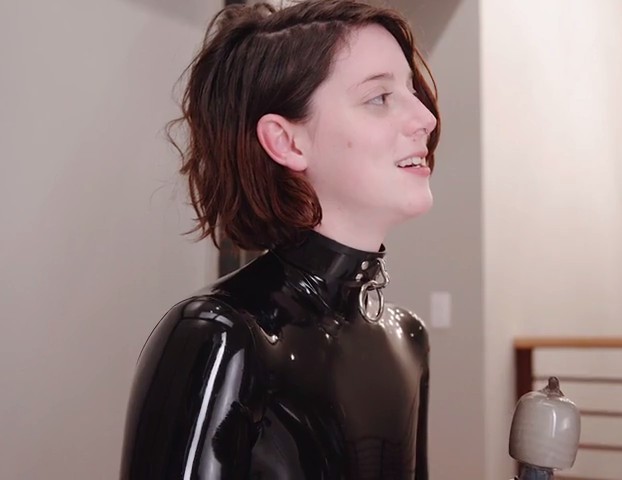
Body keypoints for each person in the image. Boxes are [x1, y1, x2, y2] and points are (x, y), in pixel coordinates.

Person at [119, 0, 440, 478]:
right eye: (379, 97)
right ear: (286, 142)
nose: (426, 118)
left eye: (412, 91)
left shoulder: (408, 339)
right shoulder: (220, 334)